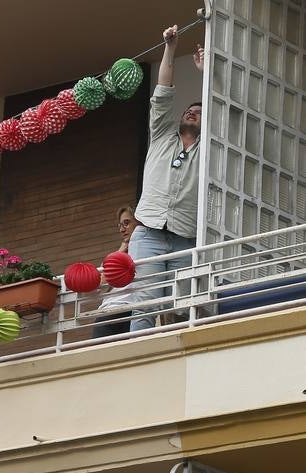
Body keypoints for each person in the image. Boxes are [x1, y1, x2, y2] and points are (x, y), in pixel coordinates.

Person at [128, 25, 204, 332]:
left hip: (185, 236)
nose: (193, 113)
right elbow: (162, 94)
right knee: (143, 306)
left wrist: (207, 71)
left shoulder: (210, 146)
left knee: (182, 309)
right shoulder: (161, 134)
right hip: (148, 233)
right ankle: (138, 358)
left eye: (199, 111)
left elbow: (225, 111)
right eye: (189, 110)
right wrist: (170, 48)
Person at [92, 205, 139, 338]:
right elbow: (101, 286)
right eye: (120, 225)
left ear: (138, 222)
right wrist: (121, 250)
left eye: (126, 223)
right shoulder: (114, 255)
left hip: (132, 310)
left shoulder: (148, 249)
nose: (122, 229)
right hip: (107, 311)